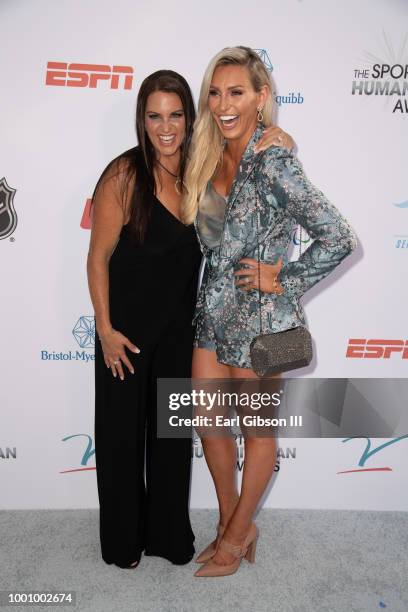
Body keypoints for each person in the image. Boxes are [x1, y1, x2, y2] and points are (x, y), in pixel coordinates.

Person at [87, 69, 293, 569]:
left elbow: (254, 159)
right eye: (155, 116)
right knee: (119, 441)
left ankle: (168, 536)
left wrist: (278, 133)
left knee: (171, 444)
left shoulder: (202, 170)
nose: (166, 127)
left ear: (189, 116)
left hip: (182, 333)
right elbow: (96, 259)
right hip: (124, 336)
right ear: (142, 119)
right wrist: (105, 329)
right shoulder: (122, 175)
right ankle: (122, 542)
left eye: (175, 114)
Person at [183, 46, 357, 577]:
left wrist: (285, 277)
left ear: (261, 97)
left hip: (263, 324)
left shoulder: (274, 159)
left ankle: (237, 537)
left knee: (257, 433)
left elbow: (338, 236)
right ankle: (228, 522)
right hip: (214, 316)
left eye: (236, 92)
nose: (222, 103)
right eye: (215, 92)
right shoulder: (208, 156)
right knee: (209, 422)